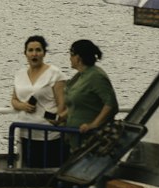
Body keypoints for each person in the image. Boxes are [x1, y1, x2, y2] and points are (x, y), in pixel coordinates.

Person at [10, 35, 66, 166]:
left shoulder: (55, 73)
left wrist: (58, 118)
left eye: (38, 50)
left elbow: (62, 105)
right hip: (25, 132)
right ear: (25, 53)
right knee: (30, 171)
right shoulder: (20, 74)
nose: (34, 54)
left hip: (49, 134)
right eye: (30, 50)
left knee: (48, 172)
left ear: (44, 53)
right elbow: (14, 100)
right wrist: (22, 106)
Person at [60, 39, 118, 135]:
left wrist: (93, 125)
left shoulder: (96, 76)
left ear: (78, 58)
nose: (69, 58)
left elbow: (111, 104)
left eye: (71, 54)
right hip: (74, 137)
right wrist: (61, 117)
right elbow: (78, 104)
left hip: (90, 139)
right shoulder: (80, 76)